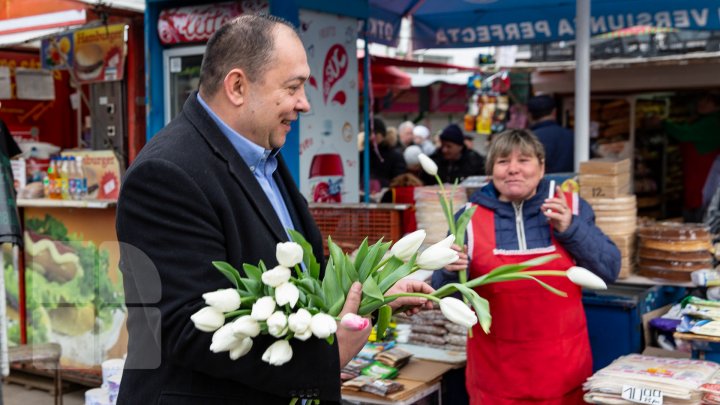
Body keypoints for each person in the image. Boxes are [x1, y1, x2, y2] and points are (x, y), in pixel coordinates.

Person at [116, 15, 433, 405]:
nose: (304, 103)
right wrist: (325, 358)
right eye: (293, 87)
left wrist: (375, 293)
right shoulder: (166, 173)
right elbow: (182, 325)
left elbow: (303, 276)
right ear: (237, 87)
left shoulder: (262, 155)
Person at [432, 129, 620, 404]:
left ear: (542, 167)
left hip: (564, 374)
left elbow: (609, 269)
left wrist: (571, 229)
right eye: (503, 161)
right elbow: (445, 299)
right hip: (495, 378)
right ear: (491, 170)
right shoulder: (467, 219)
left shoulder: (571, 208)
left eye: (524, 160)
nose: (513, 170)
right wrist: (448, 272)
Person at [658, 93, 720, 222]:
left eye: (707, 102)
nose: (701, 104)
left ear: (717, 106)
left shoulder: (713, 122)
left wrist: (662, 122)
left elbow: (684, 134)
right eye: (700, 100)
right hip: (693, 176)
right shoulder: (699, 120)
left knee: (701, 213)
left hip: (704, 177)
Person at [527, 94, 574, 173]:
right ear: (554, 112)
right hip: (572, 184)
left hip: (542, 184)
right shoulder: (572, 136)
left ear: (529, 115)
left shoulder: (527, 139)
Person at [359, 117, 407, 192]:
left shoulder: (395, 156)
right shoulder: (362, 155)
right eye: (369, 133)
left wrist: (380, 183)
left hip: (387, 197)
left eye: (375, 133)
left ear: (383, 134)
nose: (372, 137)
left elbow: (399, 180)